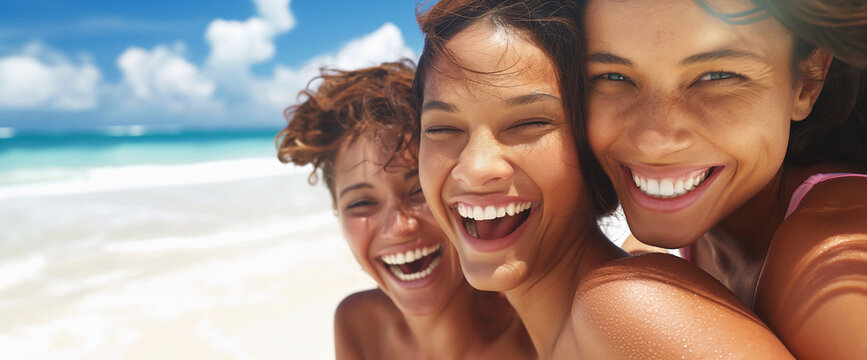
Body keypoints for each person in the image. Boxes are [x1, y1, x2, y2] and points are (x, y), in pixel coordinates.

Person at [414, 0, 793, 358]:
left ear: (588, 140)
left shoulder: (623, 308)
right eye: (441, 128)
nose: (475, 167)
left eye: (530, 123)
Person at [583, 0, 867, 358]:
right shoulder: (672, 252)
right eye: (613, 77)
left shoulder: (834, 264)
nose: (653, 138)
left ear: (807, 82)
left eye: (716, 76)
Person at [277, 60, 534, 359]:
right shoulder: (358, 323)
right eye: (361, 203)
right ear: (337, 213)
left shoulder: (535, 337)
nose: (400, 227)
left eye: (418, 192)